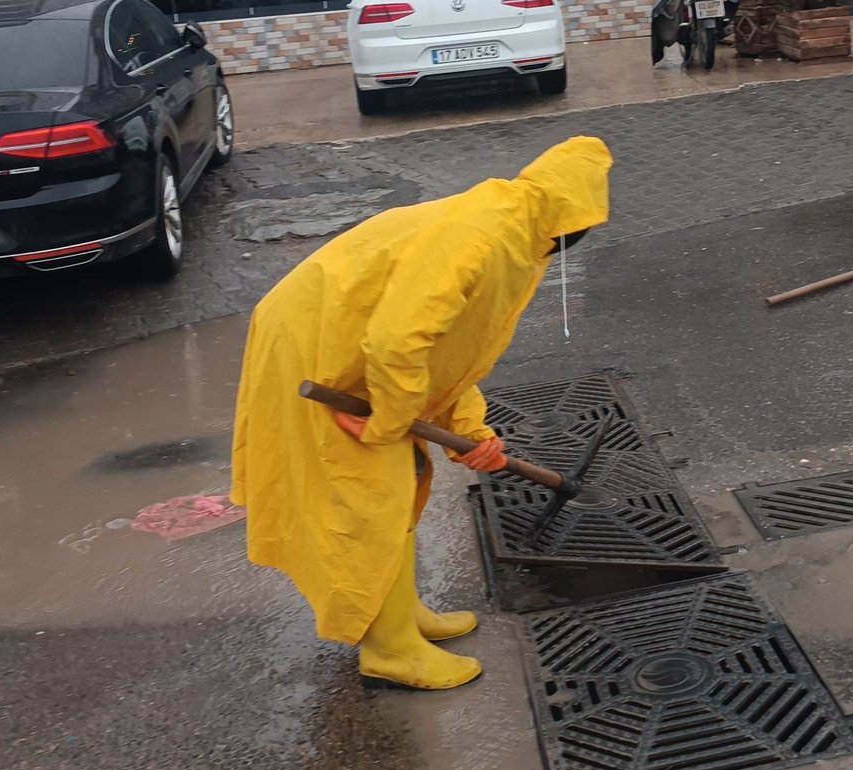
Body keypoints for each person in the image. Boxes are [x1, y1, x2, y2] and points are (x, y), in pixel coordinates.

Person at [230, 136, 613, 690]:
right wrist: (388, 421)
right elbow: (397, 343)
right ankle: (389, 650)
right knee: (367, 501)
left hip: (347, 344)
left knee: (403, 480)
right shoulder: (485, 237)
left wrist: (470, 430)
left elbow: (455, 348)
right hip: (316, 351)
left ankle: (401, 612)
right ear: (571, 216)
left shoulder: (519, 232)